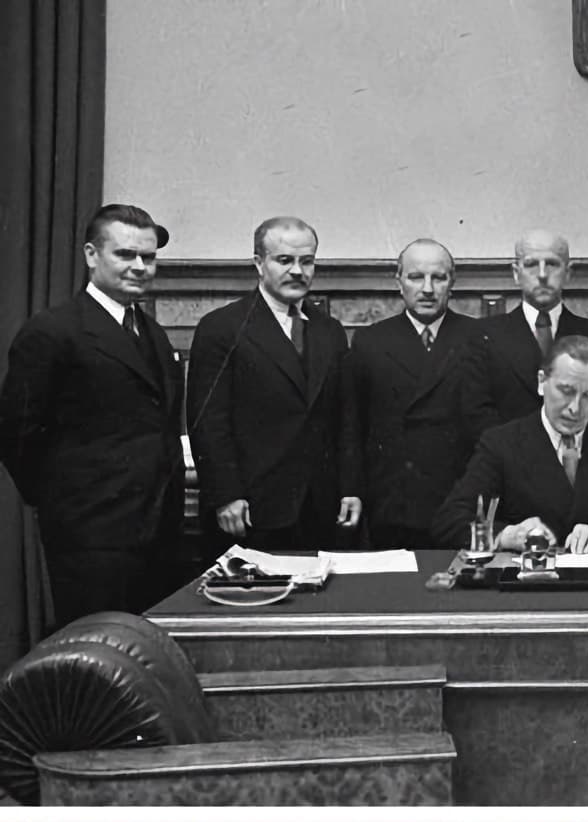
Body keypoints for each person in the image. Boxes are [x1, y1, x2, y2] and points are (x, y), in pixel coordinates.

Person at [0, 203, 186, 624]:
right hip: (91, 536)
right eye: (125, 254)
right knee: (99, 650)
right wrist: (68, 502)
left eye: (148, 257)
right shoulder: (52, 331)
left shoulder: (153, 334)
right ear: (91, 255)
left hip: (159, 529)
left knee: (146, 652)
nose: (139, 267)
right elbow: (16, 434)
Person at [186, 216, 360, 555]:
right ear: (259, 263)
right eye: (284, 260)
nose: (297, 271)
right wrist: (226, 495)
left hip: (320, 509)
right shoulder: (222, 328)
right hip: (251, 509)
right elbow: (208, 423)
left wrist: (350, 488)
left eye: (306, 261)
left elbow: (346, 419)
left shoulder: (330, 332)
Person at [434, 335, 588, 554]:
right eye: (566, 391)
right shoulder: (502, 443)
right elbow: (449, 522)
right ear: (542, 382)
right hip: (527, 575)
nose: (575, 408)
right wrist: (507, 535)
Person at [345, 238, 475, 549]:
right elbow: (352, 426)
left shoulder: (478, 337)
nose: (427, 289)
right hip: (393, 501)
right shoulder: (371, 341)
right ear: (399, 282)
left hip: (459, 501)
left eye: (438, 278)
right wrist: (352, 489)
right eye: (416, 277)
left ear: (452, 283)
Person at [458, 229, 588, 443]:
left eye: (552, 264)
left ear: (568, 273)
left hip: (578, 456)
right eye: (531, 265)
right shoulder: (484, 335)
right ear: (516, 273)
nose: (543, 274)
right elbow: (476, 412)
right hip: (508, 457)